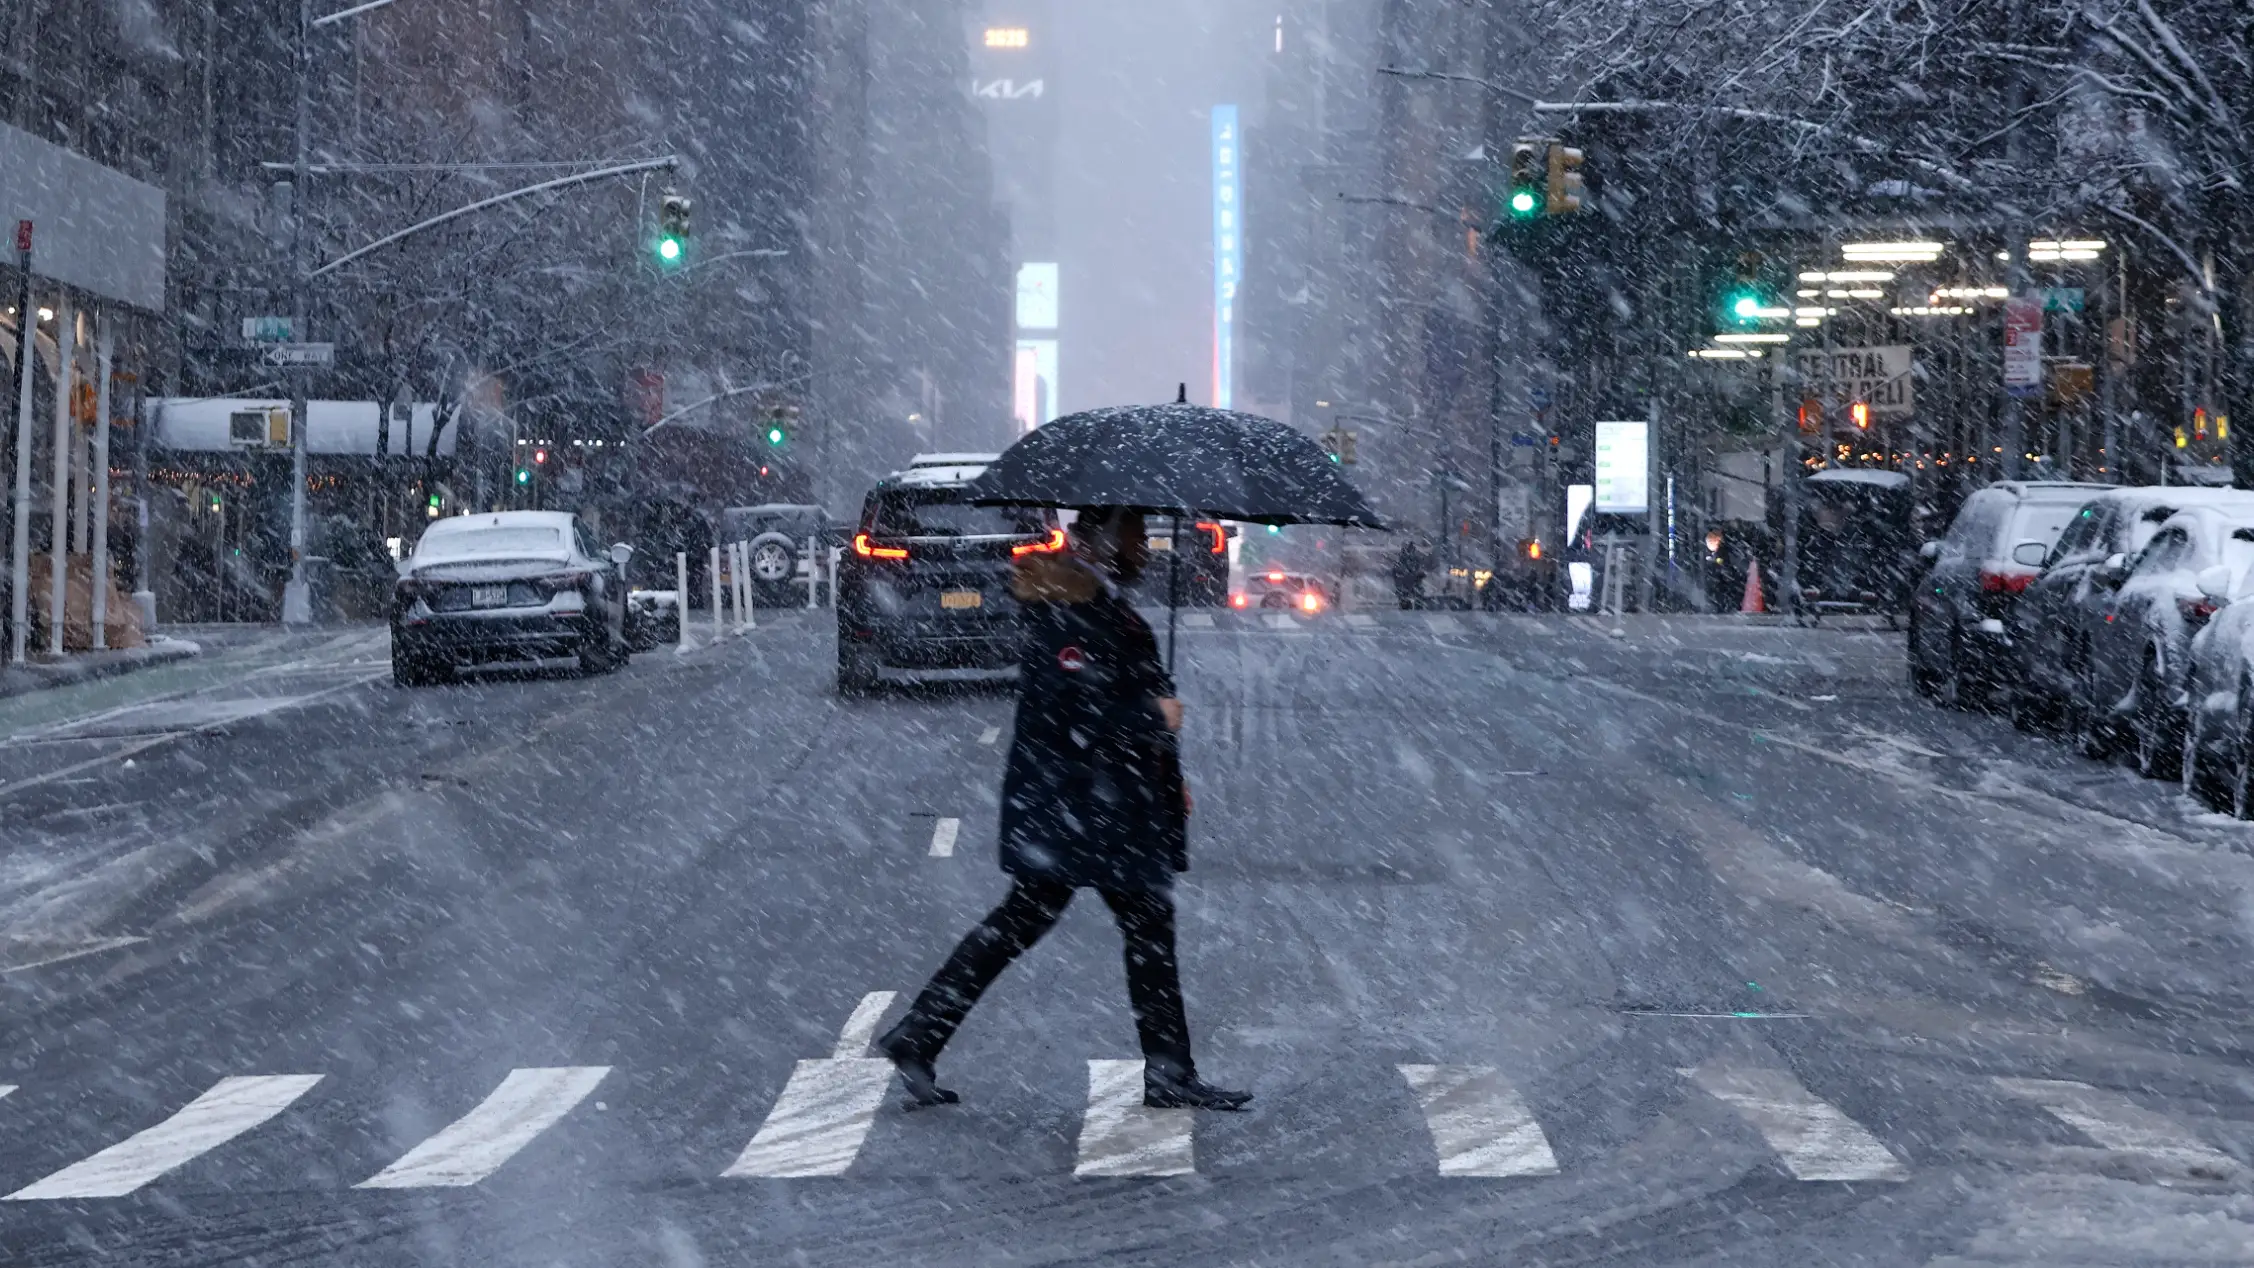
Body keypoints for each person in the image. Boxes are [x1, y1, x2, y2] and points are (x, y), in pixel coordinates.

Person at [876, 506, 1251, 1112]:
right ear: (1101, 541)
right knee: (1132, 928)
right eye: (1134, 534)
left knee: (1043, 925)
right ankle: (1167, 1071)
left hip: (1098, 804)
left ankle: (918, 1036)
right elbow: (1073, 709)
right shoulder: (1066, 608)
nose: (1144, 547)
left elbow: (1116, 690)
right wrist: (1150, 718)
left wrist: (1168, 768)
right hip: (1079, 805)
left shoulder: (1098, 603)